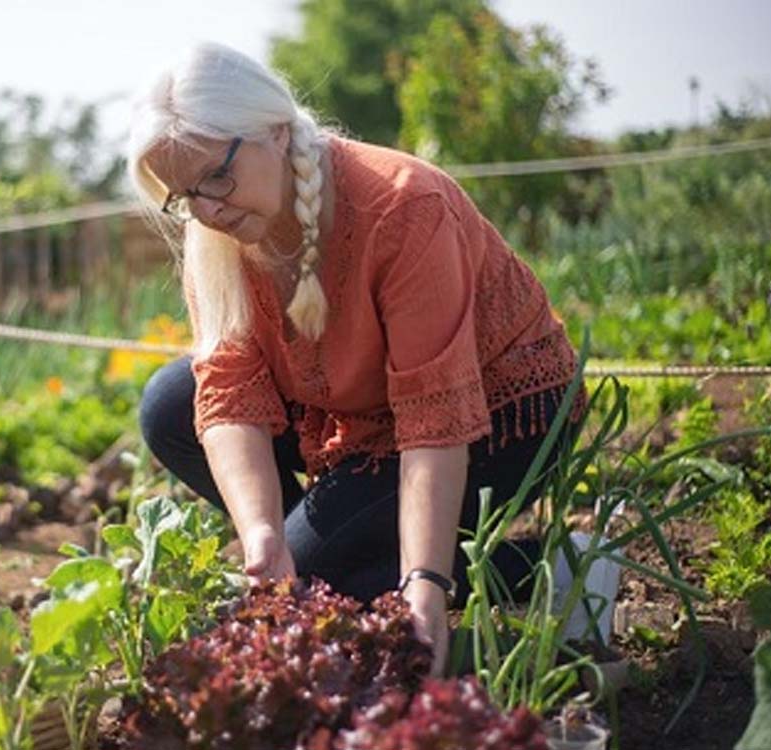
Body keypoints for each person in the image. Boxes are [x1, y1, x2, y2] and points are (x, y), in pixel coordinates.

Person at [127, 42, 584, 673]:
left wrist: (424, 582)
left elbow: (435, 418)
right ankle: (329, 559)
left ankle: (556, 568)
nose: (206, 210)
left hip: (501, 408)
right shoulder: (219, 235)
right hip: (364, 410)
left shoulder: (403, 206)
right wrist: (263, 534)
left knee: (318, 573)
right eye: (183, 196)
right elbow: (229, 388)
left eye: (215, 177)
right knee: (170, 405)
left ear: (277, 133)